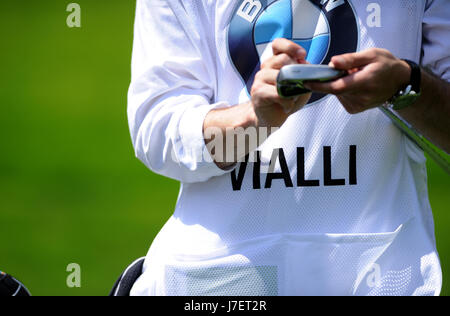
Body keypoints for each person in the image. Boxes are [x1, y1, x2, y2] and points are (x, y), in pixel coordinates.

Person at [127, 0, 450, 295]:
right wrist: (253, 122)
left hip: (377, 274)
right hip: (222, 280)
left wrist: (405, 86)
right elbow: (156, 129)